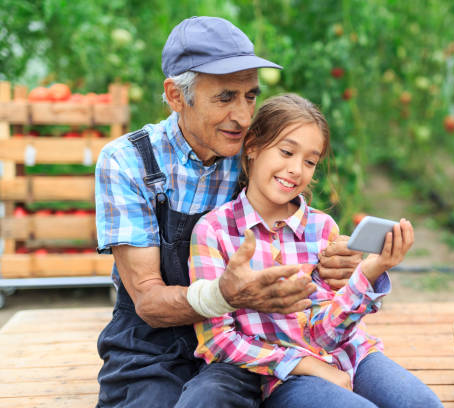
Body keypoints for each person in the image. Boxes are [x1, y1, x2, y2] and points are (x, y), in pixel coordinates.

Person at [94, 17, 361, 407]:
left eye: (250, 96)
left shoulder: (250, 153)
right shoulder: (127, 162)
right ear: (175, 95)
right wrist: (225, 294)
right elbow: (149, 303)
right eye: (224, 98)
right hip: (152, 347)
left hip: (244, 341)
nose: (242, 116)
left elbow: (297, 234)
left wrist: (339, 263)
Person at [189, 94, 444, 408]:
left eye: (310, 161)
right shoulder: (215, 231)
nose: (296, 169)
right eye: (286, 152)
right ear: (252, 146)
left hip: (349, 354)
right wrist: (311, 366)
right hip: (283, 375)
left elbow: (326, 335)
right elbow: (217, 340)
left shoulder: (322, 229)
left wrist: (369, 272)